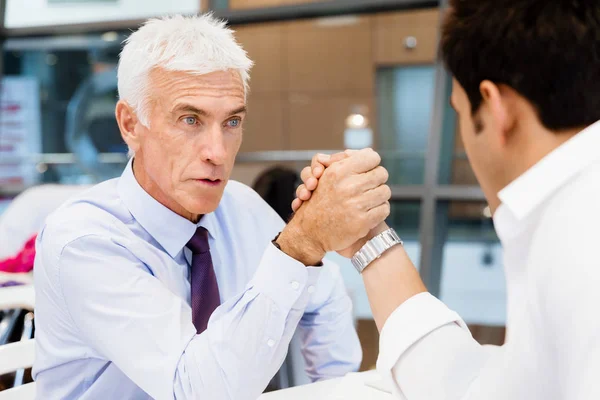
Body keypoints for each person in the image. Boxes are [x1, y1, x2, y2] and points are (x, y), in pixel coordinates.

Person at [32, 15, 393, 399]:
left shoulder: (240, 208)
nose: (218, 153)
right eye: (190, 120)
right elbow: (195, 390)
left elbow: (324, 295)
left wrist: (333, 389)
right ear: (130, 124)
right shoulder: (86, 240)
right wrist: (300, 244)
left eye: (232, 122)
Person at [293, 1, 600, 399]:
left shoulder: (579, 244)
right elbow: (478, 386)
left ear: (495, 107)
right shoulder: (570, 216)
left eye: (456, 111)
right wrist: (367, 237)